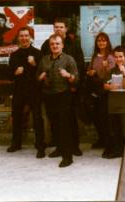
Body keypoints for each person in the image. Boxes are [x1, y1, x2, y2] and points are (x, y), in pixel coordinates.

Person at [41, 18, 84, 156]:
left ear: (65, 29)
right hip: (52, 90)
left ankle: (74, 146)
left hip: (70, 88)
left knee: (70, 118)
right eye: (56, 27)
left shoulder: (74, 44)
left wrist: (75, 85)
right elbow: (44, 64)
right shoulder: (46, 45)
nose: (58, 29)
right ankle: (60, 146)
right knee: (56, 120)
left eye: (61, 27)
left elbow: (80, 66)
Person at [37, 34, 78, 167]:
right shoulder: (44, 60)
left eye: (57, 44)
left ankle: (68, 156)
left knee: (64, 125)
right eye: (52, 44)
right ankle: (60, 149)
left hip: (63, 95)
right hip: (48, 95)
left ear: (62, 45)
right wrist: (41, 77)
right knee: (54, 124)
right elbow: (37, 78)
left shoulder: (69, 59)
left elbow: (76, 79)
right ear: (50, 46)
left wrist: (68, 75)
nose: (55, 46)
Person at [7, 27, 45, 158]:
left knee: (37, 118)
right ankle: (16, 143)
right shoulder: (14, 54)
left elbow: (43, 74)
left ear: (30, 37)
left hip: (34, 90)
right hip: (19, 90)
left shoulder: (38, 53)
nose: (24, 38)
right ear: (18, 38)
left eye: (26, 35)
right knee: (16, 117)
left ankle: (40, 146)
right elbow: (9, 74)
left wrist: (34, 64)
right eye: (21, 36)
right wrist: (14, 73)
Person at [86, 32, 115, 149]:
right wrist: (90, 72)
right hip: (96, 90)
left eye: (104, 40)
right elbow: (89, 71)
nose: (101, 43)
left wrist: (107, 67)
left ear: (107, 42)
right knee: (97, 117)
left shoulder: (110, 57)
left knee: (105, 118)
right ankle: (101, 140)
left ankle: (108, 143)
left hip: (106, 91)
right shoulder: (94, 56)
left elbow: (113, 74)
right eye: (99, 41)